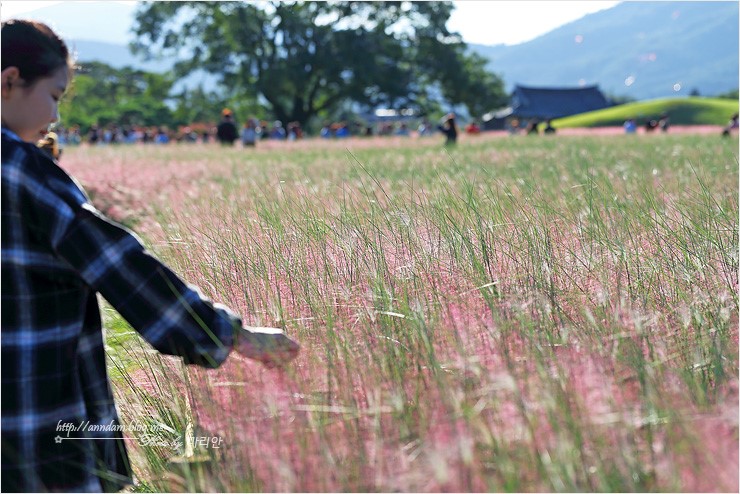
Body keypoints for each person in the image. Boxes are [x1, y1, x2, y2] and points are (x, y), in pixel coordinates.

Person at [1, 19, 300, 492]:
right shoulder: (21, 173)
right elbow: (120, 266)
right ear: (9, 81)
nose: (55, 116)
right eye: (55, 96)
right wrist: (233, 336)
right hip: (34, 417)